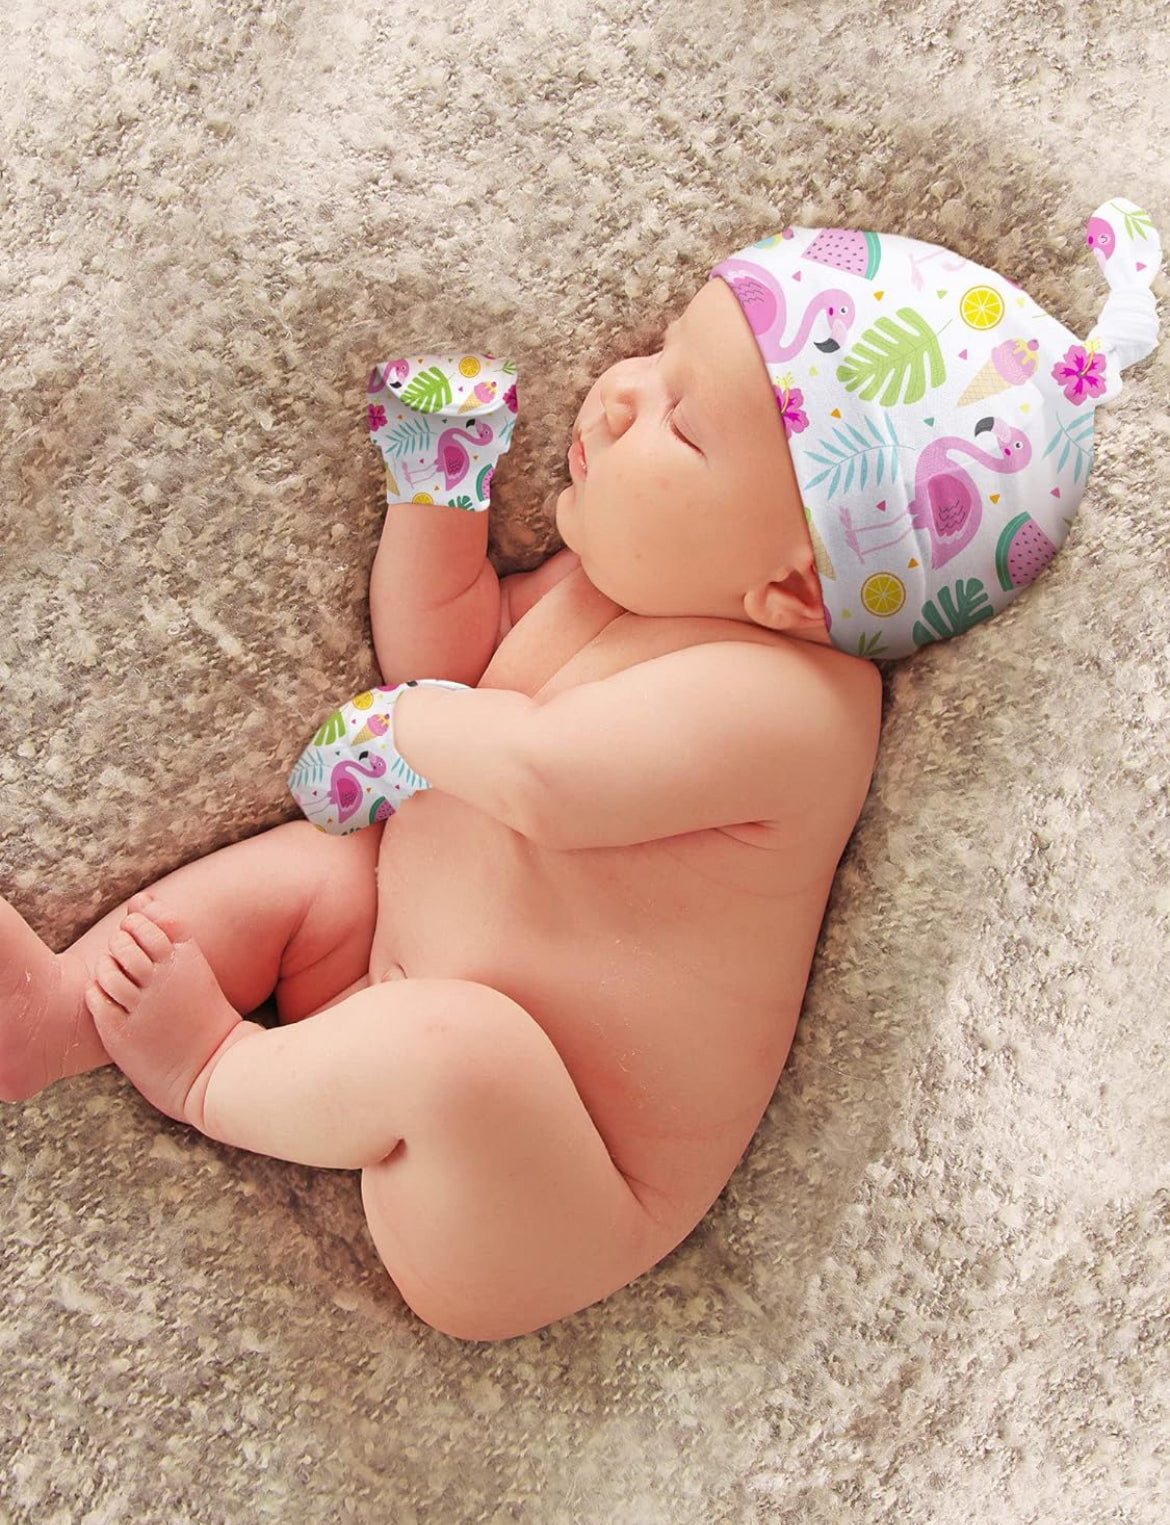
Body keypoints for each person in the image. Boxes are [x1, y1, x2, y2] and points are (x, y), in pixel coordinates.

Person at [0, 197, 1159, 1342]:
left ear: (797, 587)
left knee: (457, 1046)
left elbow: (546, 781)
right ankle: (52, 1015)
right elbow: (449, 659)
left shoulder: (795, 711)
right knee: (317, 872)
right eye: (658, 355)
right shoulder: (617, 582)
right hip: (377, 973)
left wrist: (402, 731)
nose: (618, 388)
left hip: (535, 1183)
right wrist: (438, 501)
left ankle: (209, 1068)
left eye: (683, 422)